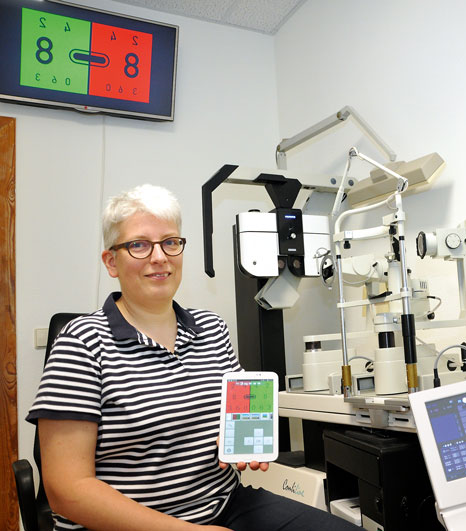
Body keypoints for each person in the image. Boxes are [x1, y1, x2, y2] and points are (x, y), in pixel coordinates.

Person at [27, 184, 360, 531]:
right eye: (139, 244)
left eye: (170, 242)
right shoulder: (82, 342)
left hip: (223, 504)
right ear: (111, 261)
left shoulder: (211, 328)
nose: (159, 257)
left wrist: (237, 438)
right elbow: (67, 490)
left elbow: (242, 409)